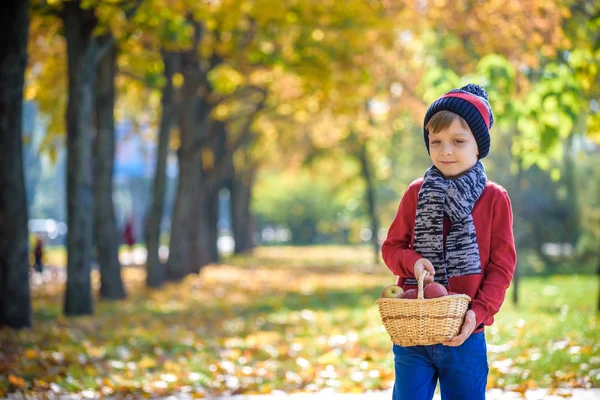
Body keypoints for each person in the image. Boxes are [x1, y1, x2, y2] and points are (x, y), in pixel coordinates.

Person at [381, 83, 517, 400]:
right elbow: (391, 248)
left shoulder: (494, 198)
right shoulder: (416, 192)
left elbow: (502, 266)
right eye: (436, 141)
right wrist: (412, 261)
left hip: (466, 333)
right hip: (414, 330)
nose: (446, 151)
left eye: (458, 141)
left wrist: (478, 313)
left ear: (478, 146)